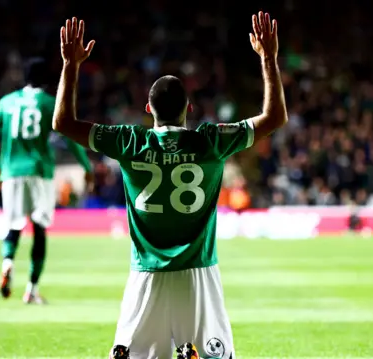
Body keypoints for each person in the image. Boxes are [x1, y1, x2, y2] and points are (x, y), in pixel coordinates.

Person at [53, 13, 286, 359]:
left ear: (148, 109)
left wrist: (70, 65)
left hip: (146, 273)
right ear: (189, 109)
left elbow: (63, 122)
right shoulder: (210, 141)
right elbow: (274, 118)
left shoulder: (130, 141)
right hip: (199, 274)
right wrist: (268, 58)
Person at [0, 58, 94, 304]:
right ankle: (31, 290)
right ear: (46, 80)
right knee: (40, 229)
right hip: (39, 171)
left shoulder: (7, 102)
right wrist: (86, 167)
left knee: (13, 226)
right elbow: (69, 136)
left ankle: (7, 263)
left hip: (11, 172)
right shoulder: (48, 103)